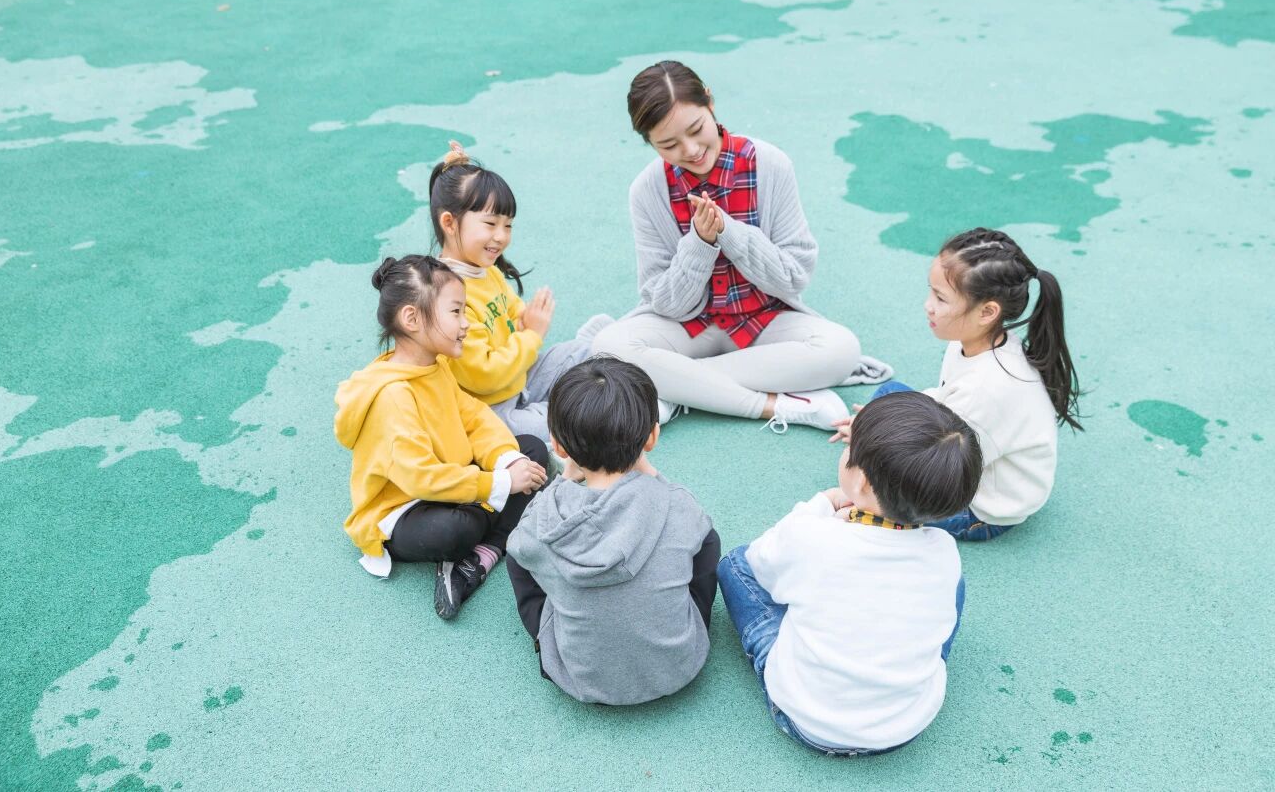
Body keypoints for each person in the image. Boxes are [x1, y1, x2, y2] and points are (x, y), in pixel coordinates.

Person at [591, 60, 891, 433]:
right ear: (649, 142)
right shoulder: (646, 190)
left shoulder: (770, 164)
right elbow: (664, 303)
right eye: (668, 144)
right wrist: (700, 244)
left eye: (696, 129)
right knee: (607, 346)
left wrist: (728, 233)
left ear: (710, 102)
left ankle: (673, 385)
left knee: (842, 349)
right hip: (688, 326)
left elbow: (793, 276)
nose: (691, 149)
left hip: (764, 320)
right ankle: (773, 405)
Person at [718, 391, 981, 754]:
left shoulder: (813, 537)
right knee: (953, 586)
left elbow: (760, 560)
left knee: (734, 565)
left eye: (849, 450)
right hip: (905, 724)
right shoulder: (944, 551)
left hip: (807, 720)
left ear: (863, 484)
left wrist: (822, 504)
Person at [334, 254, 549, 620]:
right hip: (407, 507)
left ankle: (479, 558)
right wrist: (498, 484)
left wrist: (507, 461)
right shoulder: (393, 396)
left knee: (531, 451)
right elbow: (421, 478)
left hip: (455, 479)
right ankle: (485, 540)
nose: (466, 323)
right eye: (456, 312)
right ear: (412, 319)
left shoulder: (435, 366)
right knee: (452, 531)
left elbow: (474, 417)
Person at [831, 227, 1082, 540]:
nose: (928, 305)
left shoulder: (986, 392)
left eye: (941, 298)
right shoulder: (977, 342)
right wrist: (874, 425)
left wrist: (870, 441)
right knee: (888, 395)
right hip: (962, 435)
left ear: (987, 312)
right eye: (931, 292)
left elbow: (943, 466)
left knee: (879, 493)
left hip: (980, 507)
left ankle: (864, 512)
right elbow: (944, 400)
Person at [505, 356, 720, 704]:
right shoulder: (678, 503)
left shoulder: (545, 519)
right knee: (706, 541)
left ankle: (548, 635)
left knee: (520, 558)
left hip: (580, 679)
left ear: (558, 447)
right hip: (680, 668)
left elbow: (518, 546)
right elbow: (701, 534)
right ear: (652, 436)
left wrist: (563, 480)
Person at [431, 141, 612, 444]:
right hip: (488, 409)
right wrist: (532, 335)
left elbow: (513, 313)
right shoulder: (447, 295)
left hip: (520, 375)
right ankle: (575, 410)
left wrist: (526, 321)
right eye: (490, 224)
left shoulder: (485, 269)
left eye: (508, 226)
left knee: (589, 351)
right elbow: (484, 375)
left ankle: (578, 402)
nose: (501, 236)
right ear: (449, 222)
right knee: (557, 426)